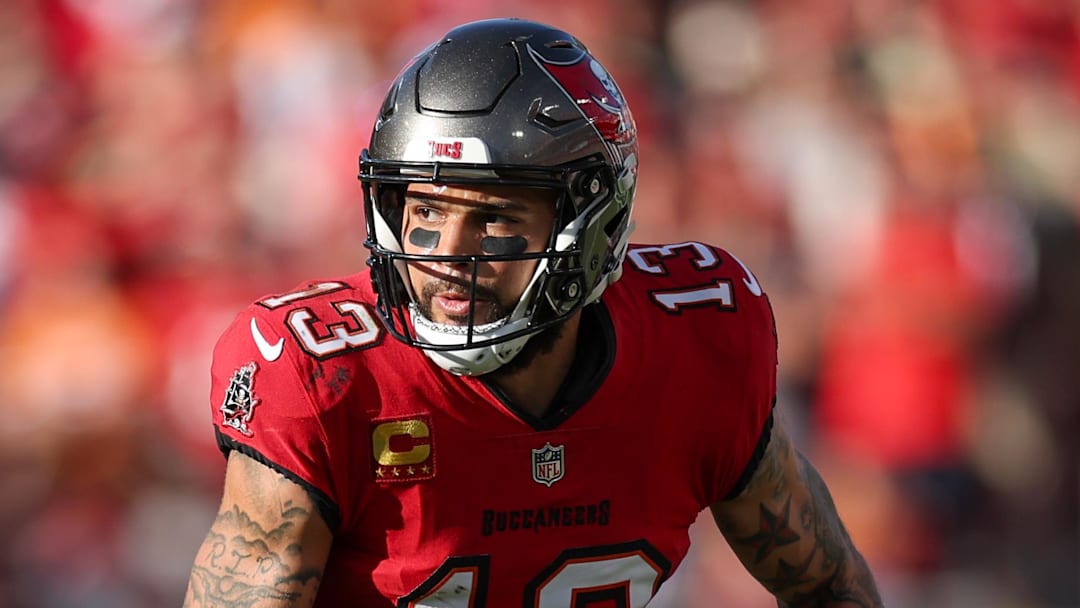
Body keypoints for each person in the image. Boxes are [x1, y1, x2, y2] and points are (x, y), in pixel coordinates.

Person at [183, 17, 883, 607]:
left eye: (493, 219)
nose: (445, 256)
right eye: (424, 210)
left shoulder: (697, 339)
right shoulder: (324, 375)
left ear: (595, 224)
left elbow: (828, 585)